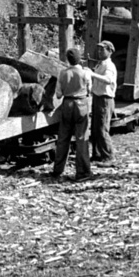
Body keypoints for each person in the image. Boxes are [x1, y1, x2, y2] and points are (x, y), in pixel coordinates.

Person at [50, 47, 92, 181]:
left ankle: (58, 170)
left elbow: (58, 94)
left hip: (67, 104)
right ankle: (82, 172)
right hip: (81, 104)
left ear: (68, 59)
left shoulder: (63, 73)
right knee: (81, 139)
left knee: (63, 138)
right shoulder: (85, 73)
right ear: (80, 59)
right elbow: (89, 90)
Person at [88, 41, 118, 163]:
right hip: (97, 97)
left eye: (103, 49)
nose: (99, 52)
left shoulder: (109, 66)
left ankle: (109, 157)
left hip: (105, 99)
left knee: (102, 129)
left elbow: (108, 80)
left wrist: (92, 74)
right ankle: (97, 154)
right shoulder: (100, 64)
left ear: (109, 51)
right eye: (99, 49)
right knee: (95, 129)